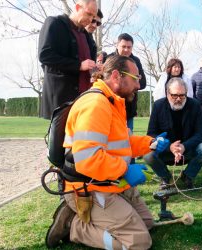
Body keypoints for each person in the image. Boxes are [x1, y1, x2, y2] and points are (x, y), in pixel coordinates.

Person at [45, 55, 170, 249]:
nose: (139, 85)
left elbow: (122, 142)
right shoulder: (96, 104)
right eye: (136, 78)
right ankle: (73, 226)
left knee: (147, 223)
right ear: (116, 76)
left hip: (108, 182)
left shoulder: (112, 101)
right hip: (89, 187)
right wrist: (124, 170)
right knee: (139, 242)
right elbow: (88, 159)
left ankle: (95, 218)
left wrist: (151, 143)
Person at [144, 77, 202, 189]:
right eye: (174, 95)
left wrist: (184, 146)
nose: (178, 99)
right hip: (165, 150)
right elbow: (151, 133)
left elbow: (200, 133)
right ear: (167, 93)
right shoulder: (158, 106)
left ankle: (187, 176)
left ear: (186, 93)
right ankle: (165, 177)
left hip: (189, 149)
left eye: (182, 95)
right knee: (147, 154)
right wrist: (169, 146)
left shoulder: (195, 105)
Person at [38, 0, 98, 119]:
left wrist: (96, 69)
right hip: (62, 101)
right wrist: (78, 65)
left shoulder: (87, 36)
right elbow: (45, 55)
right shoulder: (54, 23)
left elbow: (89, 63)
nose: (91, 19)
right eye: (89, 14)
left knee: (81, 138)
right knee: (59, 138)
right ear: (77, 7)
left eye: (93, 16)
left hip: (84, 99)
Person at [107, 33, 146, 132]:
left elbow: (143, 83)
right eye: (123, 46)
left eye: (129, 47)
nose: (126, 50)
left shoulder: (136, 61)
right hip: (111, 106)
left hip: (129, 108)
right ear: (117, 45)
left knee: (128, 140)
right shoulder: (109, 59)